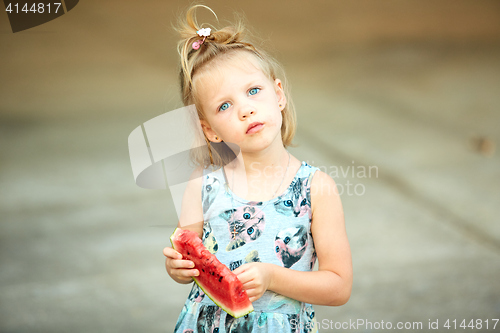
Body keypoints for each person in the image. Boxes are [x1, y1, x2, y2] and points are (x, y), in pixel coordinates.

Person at [163, 5, 352, 332]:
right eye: (225, 105)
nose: (246, 110)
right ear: (210, 130)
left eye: (253, 91)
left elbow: (338, 286)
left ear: (278, 94)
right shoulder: (201, 186)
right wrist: (176, 268)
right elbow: (190, 260)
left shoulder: (315, 188)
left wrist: (272, 277)